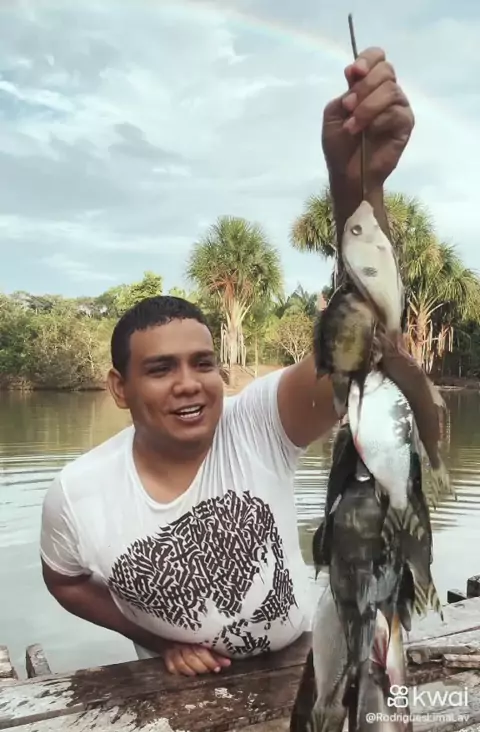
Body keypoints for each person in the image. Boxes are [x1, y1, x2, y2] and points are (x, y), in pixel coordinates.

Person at [39, 47, 414, 677]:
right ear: (119, 388)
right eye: (160, 369)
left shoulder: (258, 423)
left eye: (203, 362)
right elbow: (64, 580)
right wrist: (156, 641)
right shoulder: (76, 496)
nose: (189, 384)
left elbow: (365, 340)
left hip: (298, 663)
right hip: (176, 695)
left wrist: (357, 184)